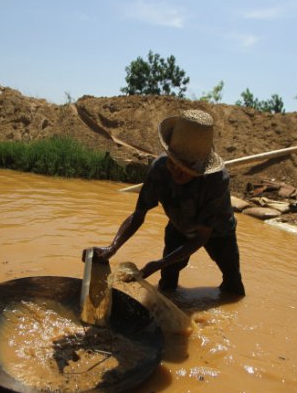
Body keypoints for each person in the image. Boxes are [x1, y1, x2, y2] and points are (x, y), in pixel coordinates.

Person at [94, 109, 245, 296]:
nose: (177, 172)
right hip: (179, 226)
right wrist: (112, 247)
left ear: (199, 168)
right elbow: (138, 215)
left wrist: (158, 264)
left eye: (185, 169)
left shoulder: (216, 180)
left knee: (233, 287)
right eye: (173, 163)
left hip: (218, 232)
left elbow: (201, 236)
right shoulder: (159, 169)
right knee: (167, 283)